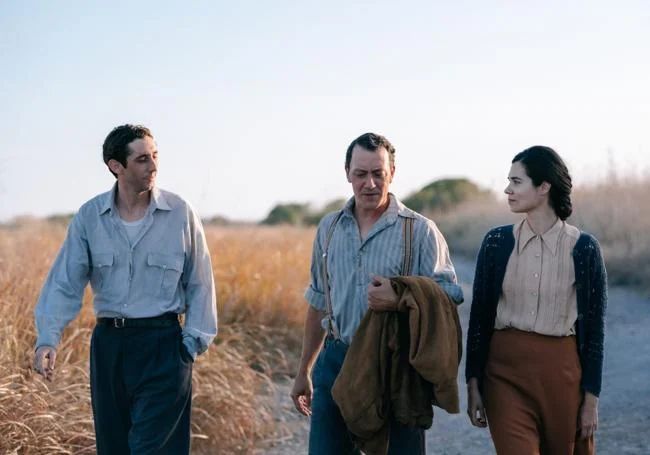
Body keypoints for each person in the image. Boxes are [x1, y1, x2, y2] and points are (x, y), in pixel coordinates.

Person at [33, 124, 218, 454]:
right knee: (114, 447)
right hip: (110, 348)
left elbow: (200, 281)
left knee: (153, 449)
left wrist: (189, 346)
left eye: (155, 156)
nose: (154, 166)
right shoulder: (90, 217)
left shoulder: (180, 213)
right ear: (115, 166)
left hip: (164, 346)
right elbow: (65, 282)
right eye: (142, 159)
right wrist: (48, 338)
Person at [290, 132, 464, 454]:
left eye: (378, 174)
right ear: (347, 174)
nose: (369, 183)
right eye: (360, 174)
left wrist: (401, 297)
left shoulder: (420, 230)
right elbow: (318, 302)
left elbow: (449, 295)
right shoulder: (328, 229)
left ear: (392, 173)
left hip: (395, 367)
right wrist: (304, 371)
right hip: (337, 361)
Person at [465, 146, 607, 455]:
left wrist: (591, 398)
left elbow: (594, 330)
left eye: (517, 182)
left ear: (544, 187)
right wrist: (473, 381)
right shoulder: (496, 243)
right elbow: (480, 318)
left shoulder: (584, 249)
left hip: (562, 376)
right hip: (504, 374)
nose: (507, 189)